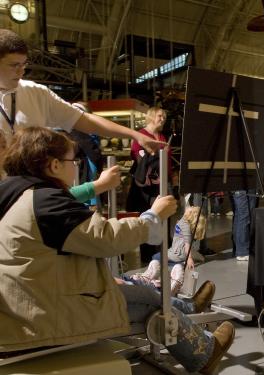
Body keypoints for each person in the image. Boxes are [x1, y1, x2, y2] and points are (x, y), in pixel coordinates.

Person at [0, 127, 234, 374]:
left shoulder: (16, 195)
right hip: (44, 316)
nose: (75, 167)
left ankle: (188, 310)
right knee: (151, 304)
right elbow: (107, 238)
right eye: (73, 161)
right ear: (54, 165)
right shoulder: (45, 202)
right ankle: (203, 354)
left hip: (31, 305)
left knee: (128, 286)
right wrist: (153, 216)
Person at [0, 29, 163, 155]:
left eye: (24, 64)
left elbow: (85, 120)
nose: (21, 71)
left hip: (27, 188)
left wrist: (136, 135)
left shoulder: (37, 93)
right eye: (14, 65)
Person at [126, 106, 172, 264]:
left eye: (164, 116)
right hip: (146, 186)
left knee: (164, 216)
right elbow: (138, 157)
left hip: (161, 183)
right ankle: (147, 256)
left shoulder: (162, 136)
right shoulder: (141, 135)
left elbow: (167, 161)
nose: (162, 119)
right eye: (160, 115)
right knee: (148, 216)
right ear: (151, 116)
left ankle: (161, 253)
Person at [128, 206, 207, 295]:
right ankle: (162, 282)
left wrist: (189, 258)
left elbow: (187, 244)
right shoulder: (184, 222)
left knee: (156, 258)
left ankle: (148, 279)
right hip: (177, 251)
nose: (190, 206)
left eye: (192, 208)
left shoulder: (185, 225)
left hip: (176, 254)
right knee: (161, 258)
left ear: (190, 215)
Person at [230, 189, 257, 261]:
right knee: (243, 216)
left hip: (242, 184)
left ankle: (238, 248)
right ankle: (242, 252)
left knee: (239, 215)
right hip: (242, 185)